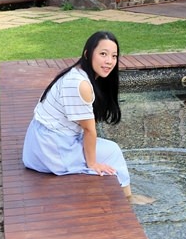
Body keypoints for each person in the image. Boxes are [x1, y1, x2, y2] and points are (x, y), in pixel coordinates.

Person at [22, 30, 149, 203]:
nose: (109, 61)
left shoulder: (79, 74)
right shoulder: (80, 84)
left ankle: (121, 192)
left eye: (114, 56)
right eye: (103, 54)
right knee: (113, 151)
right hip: (50, 151)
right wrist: (92, 163)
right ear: (88, 54)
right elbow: (89, 130)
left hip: (39, 143)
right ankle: (127, 198)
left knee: (103, 148)